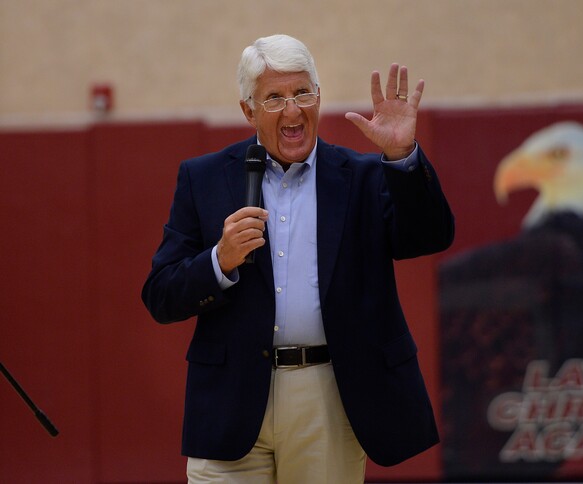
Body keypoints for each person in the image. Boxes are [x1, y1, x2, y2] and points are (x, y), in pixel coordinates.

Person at [141, 34, 454, 483]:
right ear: (249, 110)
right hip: (231, 401)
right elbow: (160, 294)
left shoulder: (364, 176)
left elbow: (431, 236)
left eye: (302, 93)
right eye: (274, 98)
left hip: (329, 393)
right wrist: (220, 260)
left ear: (319, 97)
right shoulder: (204, 178)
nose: (292, 110)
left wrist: (402, 156)